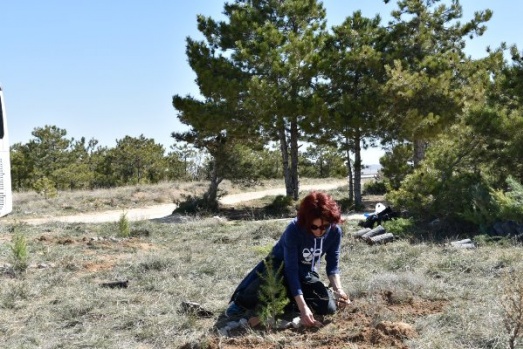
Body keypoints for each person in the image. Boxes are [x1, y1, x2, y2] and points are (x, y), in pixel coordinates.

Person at [225, 191, 350, 327]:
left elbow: (332, 266)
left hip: (305, 271)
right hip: (279, 267)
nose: (320, 231)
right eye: (314, 227)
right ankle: (242, 302)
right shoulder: (294, 230)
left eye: (325, 226)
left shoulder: (334, 232)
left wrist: (339, 291)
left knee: (328, 308)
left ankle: (290, 301)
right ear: (307, 221)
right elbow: (291, 269)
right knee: (269, 284)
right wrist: (303, 309)